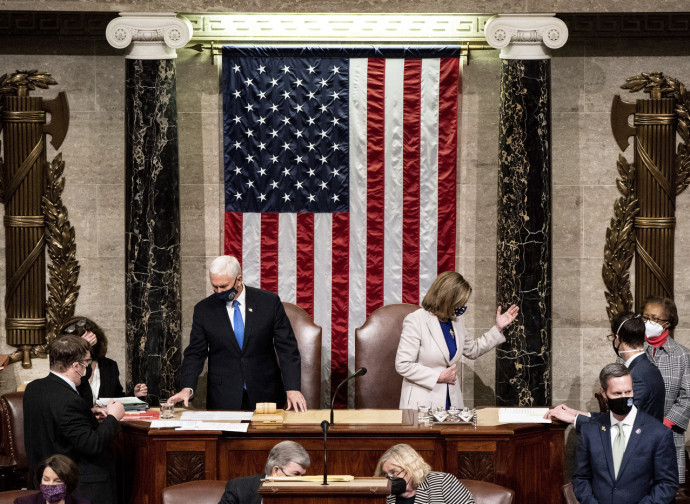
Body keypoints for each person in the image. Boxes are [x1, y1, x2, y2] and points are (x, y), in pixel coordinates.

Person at [168, 255, 306, 411]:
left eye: (223, 287)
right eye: (215, 287)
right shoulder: (204, 310)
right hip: (224, 397)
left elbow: (287, 348)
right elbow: (195, 353)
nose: (218, 292)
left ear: (239, 280)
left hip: (266, 394)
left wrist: (292, 388)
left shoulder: (268, 302)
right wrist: (187, 387)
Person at [23, 336, 125, 504]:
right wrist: (114, 417)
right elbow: (92, 444)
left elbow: (56, 424)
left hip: (43, 478)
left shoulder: (34, 388)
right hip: (77, 486)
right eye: (86, 363)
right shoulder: (69, 400)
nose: (86, 370)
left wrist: (88, 414)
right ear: (76, 366)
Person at [395, 271, 519, 409]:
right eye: (459, 302)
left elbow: (472, 350)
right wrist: (438, 376)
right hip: (422, 403)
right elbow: (403, 364)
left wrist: (498, 328)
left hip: (452, 401)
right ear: (447, 299)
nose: (462, 306)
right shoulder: (416, 320)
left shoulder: (456, 321)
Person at [572, 363, 678, 504]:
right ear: (604, 393)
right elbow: (581, 478)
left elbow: (667, 483)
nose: (624, 398)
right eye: (617, 393)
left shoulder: (659, 433)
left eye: (628, 392)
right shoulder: (590, 430)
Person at [546, 312, 665, 425]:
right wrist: (577, 413)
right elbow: (616, 416)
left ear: (617, 338)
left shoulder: (638, 375)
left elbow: (623, 422)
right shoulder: (645, 368)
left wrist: (574, 419)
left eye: (612, 337)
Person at [642, 296, 690, 485]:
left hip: (668, 436)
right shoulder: (632, 349)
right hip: (636, 436)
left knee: (664, 491)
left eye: (654, 319)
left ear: (667, 323)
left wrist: (665, 424)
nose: (648, 323)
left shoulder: (682, 355)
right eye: (645, 318)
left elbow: (688, 397)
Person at [61, 317, 148, 406]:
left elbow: (116, 398)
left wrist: (135, 396)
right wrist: (82, 349)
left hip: (106, 419)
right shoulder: (65, 368)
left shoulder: (109, 366)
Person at [374, 443, 475, 504]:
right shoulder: (387, 495)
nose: (389, 478)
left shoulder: (443, 482)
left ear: (410, 468)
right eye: (386, 474)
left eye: (393, 472)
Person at [218, 440, 310, 504]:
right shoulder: (237, 489)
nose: (300, 481)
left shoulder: (307, 495)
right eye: (296, 474)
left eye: (302, 476)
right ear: (276, 470)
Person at [14, 454, 91, 504]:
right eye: (46, 479)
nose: (50, 484)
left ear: (68, 483)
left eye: (57, 481)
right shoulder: (23, 502)